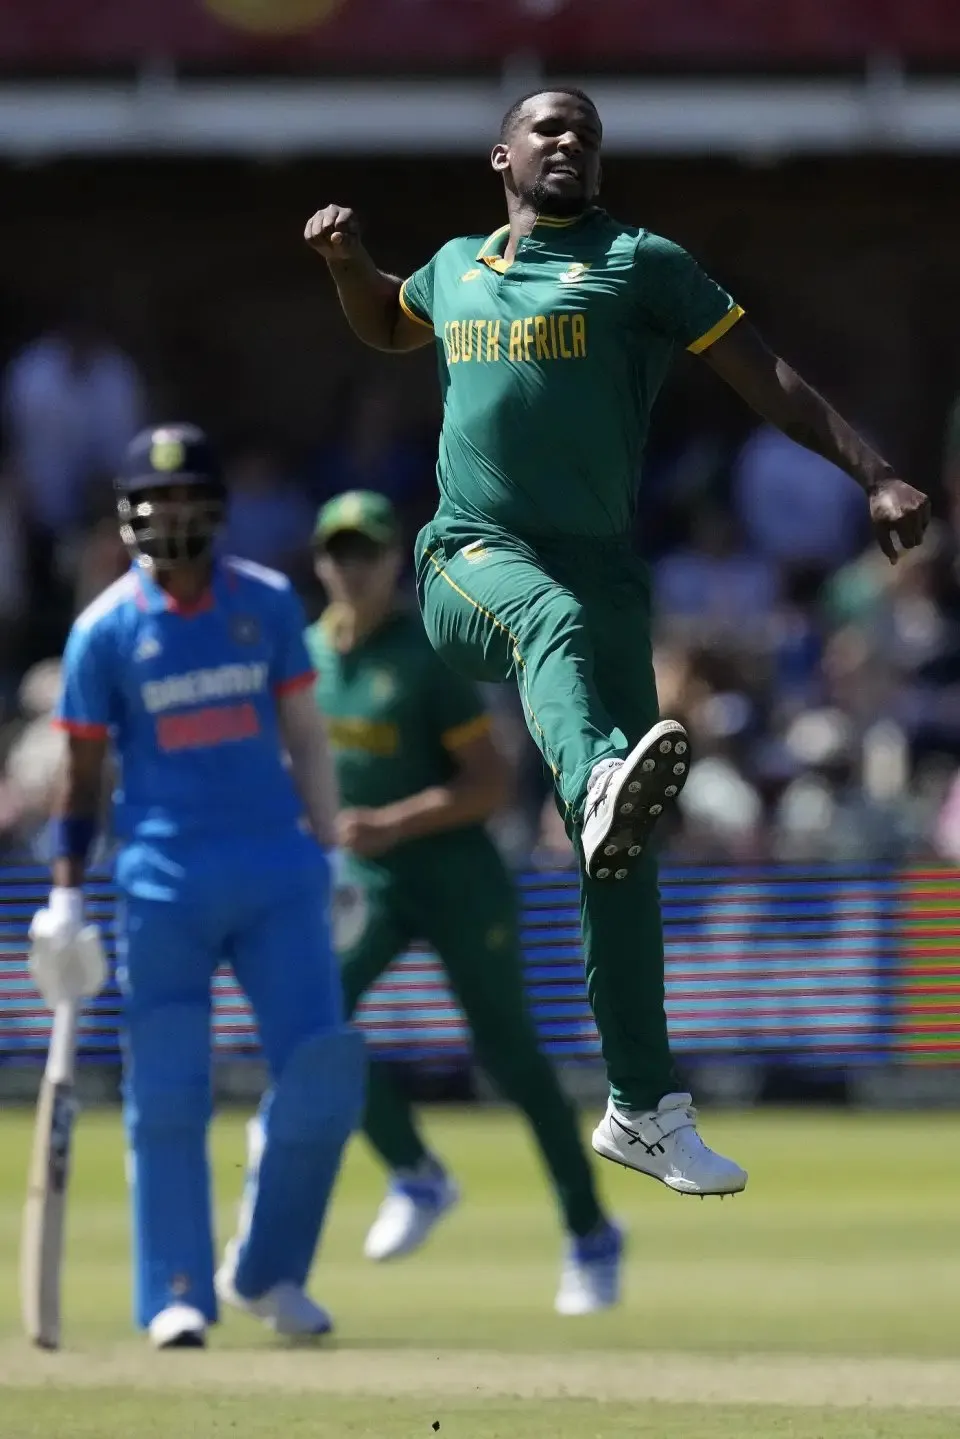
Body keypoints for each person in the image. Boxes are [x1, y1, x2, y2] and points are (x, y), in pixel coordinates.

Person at [304, 86, 930, 1194]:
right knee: (558, 659)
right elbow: (385, 322)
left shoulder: (644, 263)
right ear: (502, 153)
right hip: (469, 560)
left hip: (602, 585)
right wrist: (350, 266)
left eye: (587, 133)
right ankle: (595, 770)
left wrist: (875, 472)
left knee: (619, 857)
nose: (571, 142)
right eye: (550, 127)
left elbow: (767, 377)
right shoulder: (456, 266)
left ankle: (646, 1105)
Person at [29, 422, 363, 1349]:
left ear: (216, 509)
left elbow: (304, 734)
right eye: (154, 501)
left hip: (278, 871)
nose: (171, 516)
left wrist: (332, 850)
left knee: (326, 1071)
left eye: (187, 500)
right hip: (162, 884)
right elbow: (79, 776)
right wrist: (64, 897)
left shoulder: (266, 602)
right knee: (168, 1096)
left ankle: (270, 1269)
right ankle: (175, 1289)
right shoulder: (104, 630)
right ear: (129, 515)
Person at [307, 489, 622, 1315]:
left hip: (455, 876)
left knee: (510, 1056)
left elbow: (489, 785)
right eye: (337, 553)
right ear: (318, 563)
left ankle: (591, 1231)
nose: (351, 569)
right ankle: (416, 1171)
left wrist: (392, 820)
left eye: (366, 553)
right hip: (370, 881)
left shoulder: (425, 659)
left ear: (392, 564)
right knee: (311, 1021)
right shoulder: (306, 653)